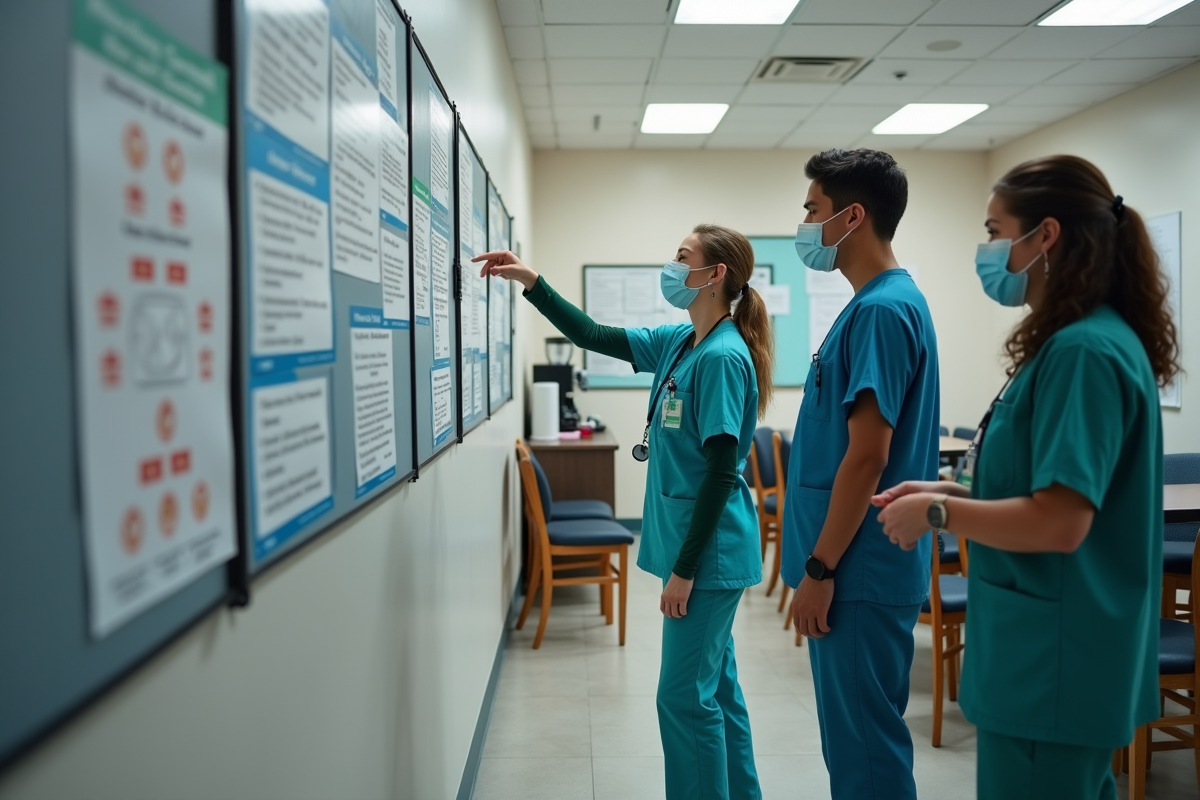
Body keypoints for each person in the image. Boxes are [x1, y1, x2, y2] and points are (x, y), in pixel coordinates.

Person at [875, 154, 1178, 800]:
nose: (986, 249)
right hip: (1054, 653)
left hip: (1055, 662)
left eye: (994, 231)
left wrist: (940, 516)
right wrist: (950, 491)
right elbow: (1039, 487)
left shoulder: (1085, 352)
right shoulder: (1073, 343)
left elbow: (1063, 520)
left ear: (1046, 235)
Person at [475, 224, 774, 800]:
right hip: (695, 544)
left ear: (715, 276)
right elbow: (591, 333)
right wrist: (530, 281)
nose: (671, 265)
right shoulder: (681, 342)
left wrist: (684, 570)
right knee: (718, 690)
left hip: (707, 556)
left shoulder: (721, 359)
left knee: (684, 700)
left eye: (681, 258)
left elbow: (719, 473)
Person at [781, 149, 940, 800]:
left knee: (865, 755)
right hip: (860, 566)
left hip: (856, 571)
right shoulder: (875, 305)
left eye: (813, 210)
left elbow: (868, 455)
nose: (805, 225)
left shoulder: (880, 311)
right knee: (855, 746)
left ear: (853, 217)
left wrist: (819, 571)